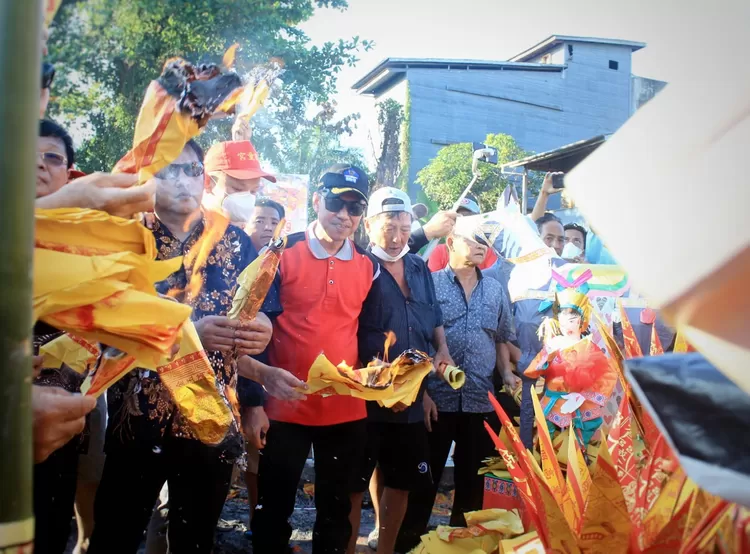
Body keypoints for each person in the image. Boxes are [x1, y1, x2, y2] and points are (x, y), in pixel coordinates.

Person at [87, 140, 298, 554]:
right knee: (116, 534)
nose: (183, 181)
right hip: (138, 418)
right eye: (170, 171)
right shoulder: (124, 239)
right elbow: (103, 327)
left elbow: (250, 319)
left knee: (197, 539)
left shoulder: (235, 241)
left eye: (192, 170)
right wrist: (189, 329)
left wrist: (260, 336)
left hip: (211, 420)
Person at [252, 164, 378, 554]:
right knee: (273, 507)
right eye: (336, 203)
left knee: (336, 511)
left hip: (344, 409)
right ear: (317, 201)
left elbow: (370, 331)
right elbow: (250, 332)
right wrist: (252, 402)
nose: (344, 215)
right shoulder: (279, 253)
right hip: (284, 405)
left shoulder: (367, 265)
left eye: (354, 208)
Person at [396, 228, 517, 553]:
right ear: (450, 243)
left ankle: (461, 547)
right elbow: (413, 341)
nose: (481, 247)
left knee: (471, 486)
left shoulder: (494, 289)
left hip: (479, 401)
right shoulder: (429, 285)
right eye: (473, 240)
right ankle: (410, 546)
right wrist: (421, 395)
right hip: (435, 401)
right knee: (423, 482)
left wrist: (506, 372)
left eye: (484, 241)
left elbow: (502, 337)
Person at [350, 187, 453, 554]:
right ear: (369, 224)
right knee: (354, 483)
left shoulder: (418, 266)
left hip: (410, 396)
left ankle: (385, 548)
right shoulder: (359, 265)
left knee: (403, 480)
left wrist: (441, 352)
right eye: (388, 227)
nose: (396, 238)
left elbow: (431, 316)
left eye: (405, 228)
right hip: (365, 395)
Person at [33, 120, 99, 554]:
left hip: (63, 422)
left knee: (49, 529)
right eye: (25, 153)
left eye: (52, 157)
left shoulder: (90, 240)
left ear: (68, 172)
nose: (39, 164)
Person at [203, 139, 276, 226]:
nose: (247, 199)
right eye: (238, 189)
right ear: (207, 182)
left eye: (253, 191)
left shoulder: (241, 237)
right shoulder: (186, 228)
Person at [425, 194, 498, 272]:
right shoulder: (439, 251)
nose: (463, 223)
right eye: (458, 219)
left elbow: (493, 276)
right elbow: (433, 281)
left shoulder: (485, 250)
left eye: (468, 219)